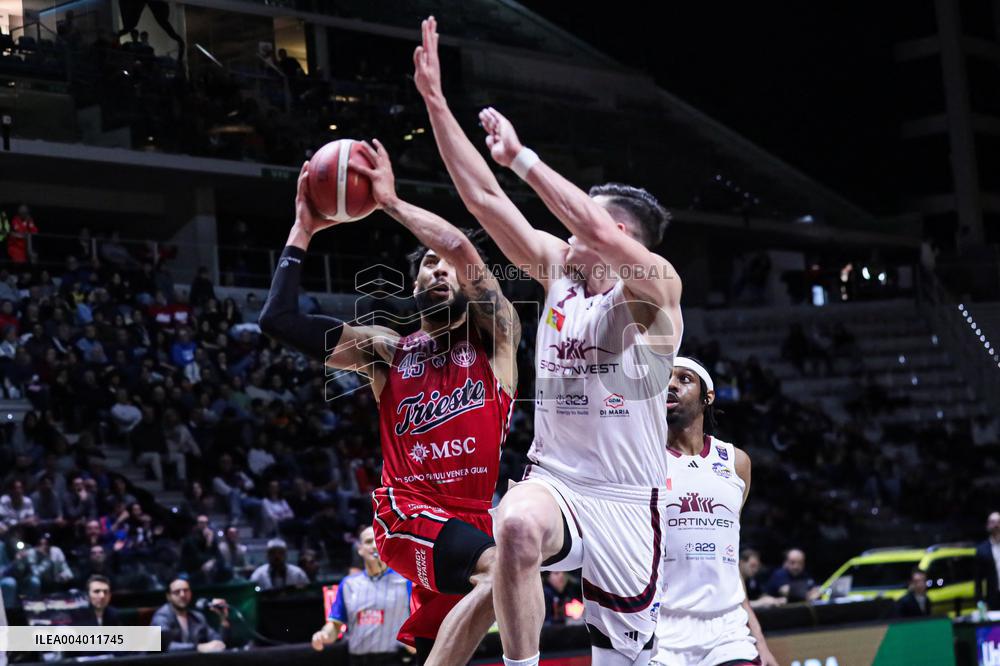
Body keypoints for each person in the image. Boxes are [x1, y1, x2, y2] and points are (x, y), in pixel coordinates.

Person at [414, 17, 681, 665]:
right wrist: (436, 104)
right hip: (557, 477)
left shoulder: (655, 290)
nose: (566, 223)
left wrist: (523, 159)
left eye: (584, 215)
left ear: (617, 231)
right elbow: (480, 198)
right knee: (513, 526)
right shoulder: (558, 269)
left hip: (626, 499)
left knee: (629, 658)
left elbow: (580, 214)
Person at [258, 136, 519, 663]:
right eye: (429, 262)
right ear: (415, 279)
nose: (442, 268)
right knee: (505, 572)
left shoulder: (498, 338)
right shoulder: (386, 351)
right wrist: (301, 230)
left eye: (448, 263)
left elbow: (466, 252)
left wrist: (392, 203)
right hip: (407, 511)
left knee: (444, 646)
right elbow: (278, 320)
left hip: (472, 521)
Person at [651, 358, 776, 666]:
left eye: (684, 379)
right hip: (660, 633)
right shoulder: (642, 461)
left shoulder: (737, 463)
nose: (671, 385)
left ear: (708, 396)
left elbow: (729, 563)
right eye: (665, 378)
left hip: (727, 634)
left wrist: (760, 642)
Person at [312, 526, 411, 665]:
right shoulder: (348, 584)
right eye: (369, 541)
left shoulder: (405, 581)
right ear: (360, 549)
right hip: (356, 660)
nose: (374, 546)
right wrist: (324, 635)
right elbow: (335, 625)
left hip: (394, 659)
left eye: (378, 540)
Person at [151, 577, 228, 653]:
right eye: (177, 592)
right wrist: (198, 648)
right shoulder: (161, 616)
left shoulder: (197, 617)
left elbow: (218, 643)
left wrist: (223, 619)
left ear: (190, 593)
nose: (182, 595)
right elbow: (163, 646)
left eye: (186, 590)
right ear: (169, 596)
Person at [975, 511, 1000, 610]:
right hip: (993, 599)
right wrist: (980, 601)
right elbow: (978, 580)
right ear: (988, 526)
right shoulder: (982, 550)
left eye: (999, 522)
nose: (996, 525)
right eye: (993, 522)